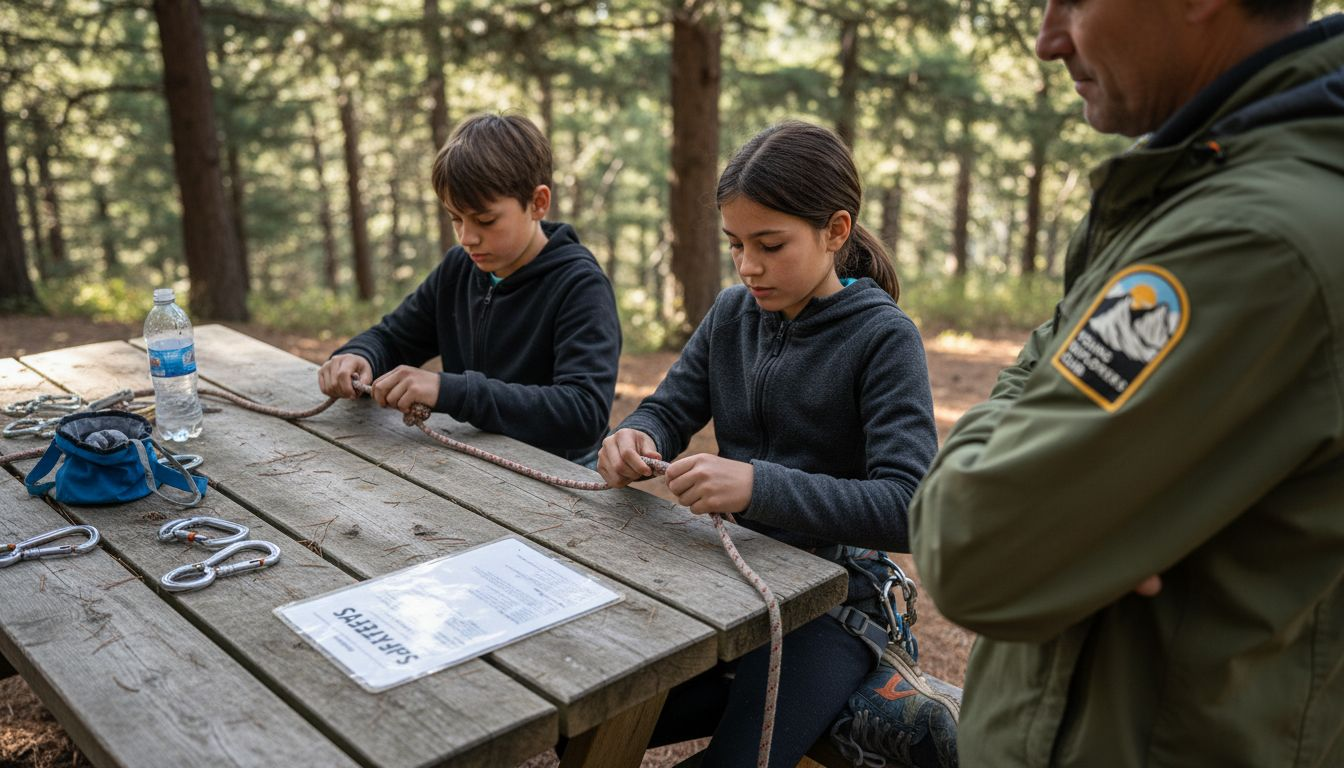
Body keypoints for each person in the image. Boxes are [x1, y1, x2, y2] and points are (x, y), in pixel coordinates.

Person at [910, 2, 1344, 765]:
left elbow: (972, 546)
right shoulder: (1216, 190)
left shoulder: (1243, 241)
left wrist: (1023, 420)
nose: (1047, 42)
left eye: (1074, 1)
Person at [598, 121, 938, 765]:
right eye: (735, 244)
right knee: (593, 708)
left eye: (770, 244)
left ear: (835, 231)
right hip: (730, 579)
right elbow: (669, 408)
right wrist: (635, 435)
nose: (748, 266)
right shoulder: (732, 314)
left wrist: (757, 485)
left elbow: (910, 507)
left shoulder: (885, 339)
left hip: (832, 604)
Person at [317, 113, 621, 466]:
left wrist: (449, 391)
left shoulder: (580, 285)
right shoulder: (459, 268)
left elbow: (583, 413)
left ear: (538, 203)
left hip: (561, 472)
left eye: (485, 220)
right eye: (455, 218)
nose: (467, 237)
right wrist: (361, 356)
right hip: (472, 460)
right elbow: (395, 338)